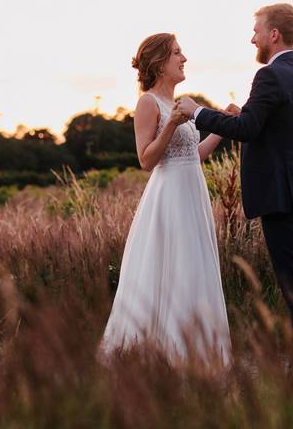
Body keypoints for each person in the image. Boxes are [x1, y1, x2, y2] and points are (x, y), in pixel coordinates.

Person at [176, 3, 293, 343]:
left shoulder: (270, 75)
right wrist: (233, 117)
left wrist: (197, 112)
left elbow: (248, 129)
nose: (252, 39)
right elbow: (271, 126)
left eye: (257, 31)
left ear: (274, 34)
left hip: (282, 197)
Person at [100, 33, 234, 365]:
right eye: (177, 53)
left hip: (193, 192)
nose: (184, 58)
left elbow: (195, 154)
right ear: (160, 62)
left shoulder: (182, 101)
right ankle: (161, 353)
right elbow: (146, 160)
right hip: (169, 197)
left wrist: (223, 126)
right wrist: (171, 124)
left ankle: (196, 350)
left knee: (193, 266)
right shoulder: (148, 103)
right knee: (172, 265)